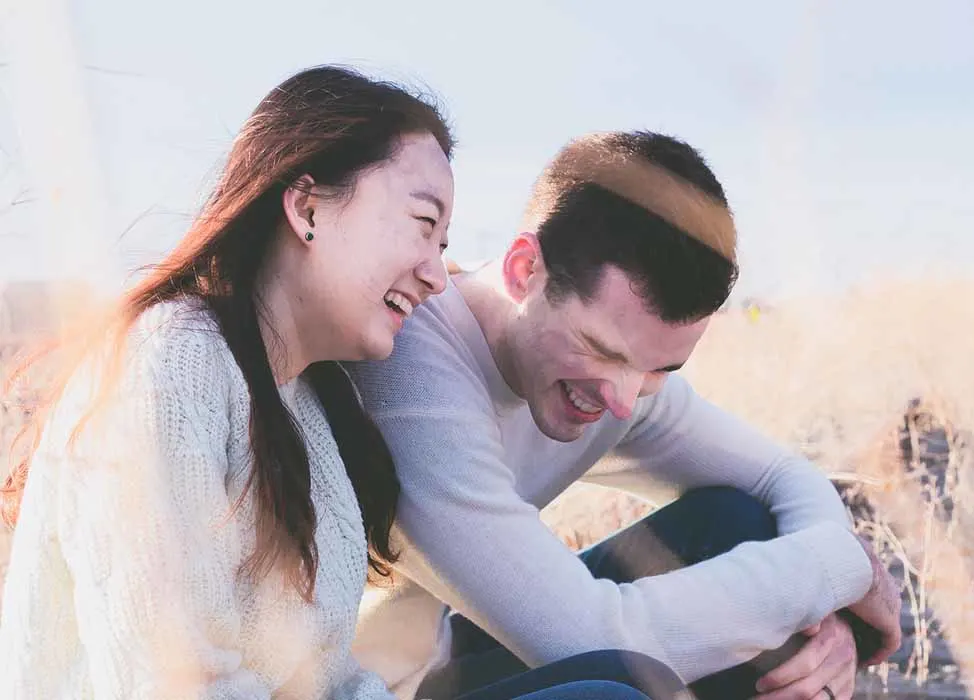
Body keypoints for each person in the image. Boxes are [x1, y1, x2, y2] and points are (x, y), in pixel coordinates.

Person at [0, 67, 674, 700]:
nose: (437, 275)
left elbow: (323, 679)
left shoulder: (303, 405)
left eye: (444, 246)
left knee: (627, 677)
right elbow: (169, 682)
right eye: (422, 225)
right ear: (308, 208)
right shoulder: (170, 362)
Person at [345, 131, 903, 700]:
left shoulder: (622, 382)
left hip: (440, 668)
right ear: (523, 270)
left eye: (662, 368)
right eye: (603, 350)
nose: (622, 398)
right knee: (620, 691)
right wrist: (836, 569)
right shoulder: (410, 364)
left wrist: (823, 611)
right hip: (360, 689)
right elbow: (592, 639)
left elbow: (780, 477)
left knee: (739, 521)